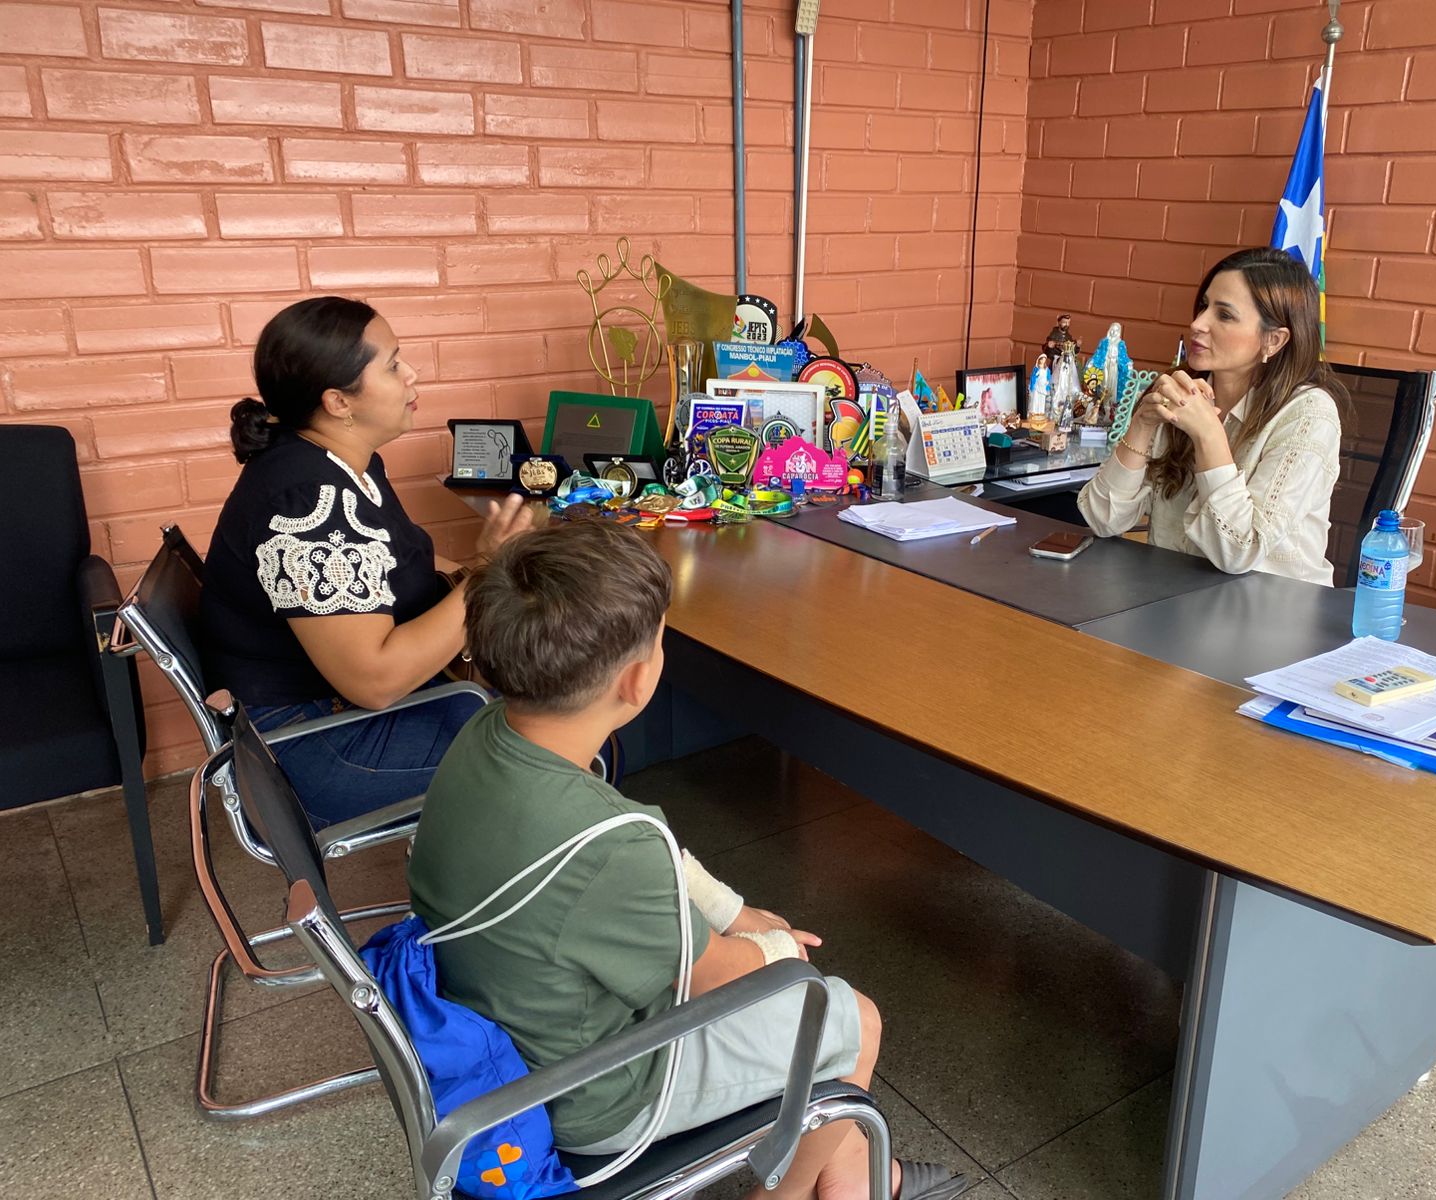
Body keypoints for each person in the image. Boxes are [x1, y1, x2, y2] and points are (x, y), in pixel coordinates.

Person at [408, 520, 968, 1200]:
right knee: (847, 1020)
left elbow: (642, 853)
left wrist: (738, 913)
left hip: (508, 1016)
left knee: (802, 1023)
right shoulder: (612, 846)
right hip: (591, 1094)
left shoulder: (485, 731)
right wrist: (776, 948)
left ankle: (848, 1169)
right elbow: (717, 976)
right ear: (638, 679)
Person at [200, 296, 534, 827]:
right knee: (560, 745)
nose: (412, 373)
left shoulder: (341, 463)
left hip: (334, 711)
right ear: (338, 402)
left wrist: (485, 566)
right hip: (321, 744)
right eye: (394, 364)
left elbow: (390, 570)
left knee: (553, 693)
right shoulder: (312, 506)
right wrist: (487, 572)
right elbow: (375, 681)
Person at [1077, 247, 1344, 585]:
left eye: (1225, 315)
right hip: (1171, 596)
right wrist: (1142, 425)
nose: (1197, 324)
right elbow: (1102, 520)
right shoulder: (1181, 390)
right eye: (1204, 306)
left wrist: (1208, 436)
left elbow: (1237, 552)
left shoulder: (1309, 414)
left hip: (1271, 607)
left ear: (1274, 340)